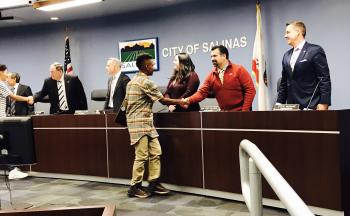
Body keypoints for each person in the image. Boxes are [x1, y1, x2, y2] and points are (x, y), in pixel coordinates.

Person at [125, 53, 184, 198]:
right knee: (141, 156)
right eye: (152, 65)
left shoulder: (131, 82)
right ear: (146, 66)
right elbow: (163, 101)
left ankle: (153, 182)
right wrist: (181, 101)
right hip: (139, 125)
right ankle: (134, 186)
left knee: (156, 152)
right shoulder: (146, 82)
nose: (153, 67)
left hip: (146, 124)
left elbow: (126, 103)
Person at [276, 21, 331, 110]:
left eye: (288, 32)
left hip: (311, 106)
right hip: (291, 108)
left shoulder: (315, 51)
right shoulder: (286, 56)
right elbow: (284, 82)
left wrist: (324, 103)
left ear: (298, 32)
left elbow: (324, 79)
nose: (285, 36)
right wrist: (278, 103)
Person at [183, 45, 256, 111]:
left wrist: (245, 111)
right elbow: (202, 93)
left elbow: (250, 90)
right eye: (211, 56)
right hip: (224, 116)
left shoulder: (239, 69)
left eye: (215, 56)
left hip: (241, 113)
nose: (212, 59)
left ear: (224, 56)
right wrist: (188, 100)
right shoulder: (211, 75)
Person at [0, 64, 33, 180]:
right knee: (7, 144)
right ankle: (12, 169)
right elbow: (13, 97)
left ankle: (12, 169)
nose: (7, 75)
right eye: (5, 73)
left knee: (4, 144)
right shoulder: (1, 84)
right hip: (1, 120)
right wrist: (27, 98)